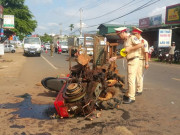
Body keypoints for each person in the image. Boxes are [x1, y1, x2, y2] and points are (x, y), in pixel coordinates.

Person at [109, 27, 144, 104]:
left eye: (119, 35)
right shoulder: (125, 41)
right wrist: (116, 57)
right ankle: (128, 94)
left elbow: (140, 45)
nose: (119, 37)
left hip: (134, 59)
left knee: (131, 79)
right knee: (129, 78)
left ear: (122, 33)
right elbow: (124, 54)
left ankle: (131, 97)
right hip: (129, 60)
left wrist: (130, 48)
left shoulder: (132, 37)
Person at [131, 27, 149, 96]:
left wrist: (146, 63)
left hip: (140, 60)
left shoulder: (144, 42)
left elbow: (146, 53)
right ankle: (133, 89)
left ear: (138, 34)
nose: (133, 35)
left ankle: (139, 90)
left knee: (139, 76)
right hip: (134, 60)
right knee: (133, 76)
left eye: (134, 34)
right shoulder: (134, 41)